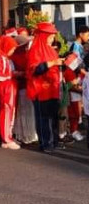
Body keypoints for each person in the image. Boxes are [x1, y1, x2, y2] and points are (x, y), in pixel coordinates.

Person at [27, 22, 63, 153]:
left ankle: (54, 141)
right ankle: (45, 143)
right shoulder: (35, 50)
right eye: (50, 36)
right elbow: (34, 70)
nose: (52, 39)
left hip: (52, 88)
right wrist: (52, 63)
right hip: (40, 89)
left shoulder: (51, 50)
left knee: (53, 117)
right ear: (43, 36)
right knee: (43, 118)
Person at [0, 36, 20, 149]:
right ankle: (6, 138)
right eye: (12, 48)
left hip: (9, 85)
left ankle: (8, 135)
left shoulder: (4, 57)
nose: (13, 51)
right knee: (6, 110)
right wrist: (12, 74)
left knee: (9, 111)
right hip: (4, 86)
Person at [12, 35, 37, 145]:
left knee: (25, 111)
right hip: (24, 85)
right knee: (26, 111)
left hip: (25, 85)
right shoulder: (20, 56)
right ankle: (26, 134)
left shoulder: (18, 55)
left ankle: (26, 133)